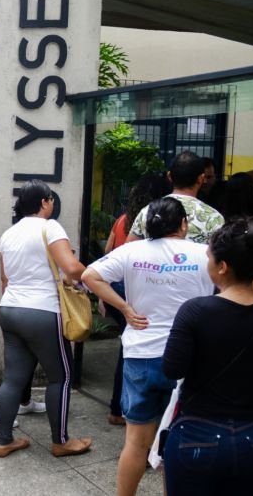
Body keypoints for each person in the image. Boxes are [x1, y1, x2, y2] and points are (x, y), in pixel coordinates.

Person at [82, 197, 215, 496]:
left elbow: (89, 276)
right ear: (183, 224)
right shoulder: (205, 254)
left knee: (136, 442)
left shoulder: (131, 251)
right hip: (188, 360)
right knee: (178, 439)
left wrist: (125, 309)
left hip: (141, 356)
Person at [0, 180, 90, 458]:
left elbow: (4, 279)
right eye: (50, 200)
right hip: (43, 310)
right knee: (60, 376)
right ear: (45, 202)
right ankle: (61, 441)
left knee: (13, 379)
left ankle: (5, 441)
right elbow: (71, 268)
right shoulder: (50, 227)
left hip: (10, 308)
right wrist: (97, 276)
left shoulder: (8, 234)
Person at [162, 217, 253, 495]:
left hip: (197, 435)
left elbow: (172, 368)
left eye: (210, 258)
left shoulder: (195, 311)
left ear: (223, 267)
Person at [102, 173, 172, 426]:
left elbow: (108, 253)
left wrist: (106, 295)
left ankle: (118, 408)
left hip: (115, 289)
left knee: (127, 344)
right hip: (138, 291)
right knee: (133, 347)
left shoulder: (122, 220)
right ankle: (127, 408)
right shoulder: (161, 226)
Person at [127, 151, 224, 244]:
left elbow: (128, 249)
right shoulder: (213, 217)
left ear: (169, 176)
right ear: (201, 178)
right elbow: (220, 255)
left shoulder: (148, 210)